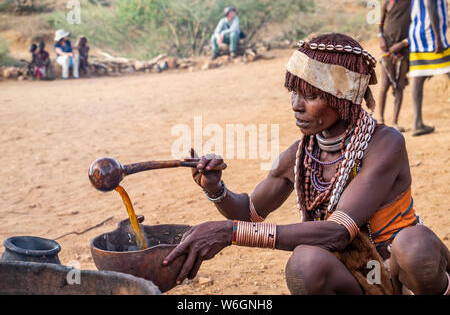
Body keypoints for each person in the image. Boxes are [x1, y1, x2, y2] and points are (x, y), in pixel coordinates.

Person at [162, 33, 450, 295]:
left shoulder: (384, 143)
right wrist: (216, 190)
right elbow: (249, 213)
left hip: (402, 274)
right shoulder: (301, 155)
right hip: (360, 276)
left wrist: (230, 233)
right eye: (294, 92)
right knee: (305, 262)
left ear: (343, 98)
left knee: (415, 248)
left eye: (310, 95)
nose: (296, 105)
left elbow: (338, 232)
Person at [409, 0, 450, 136]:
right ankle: (417, 123)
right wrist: (438, 36)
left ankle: (417, 123)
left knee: (419, 76)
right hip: (431, 35)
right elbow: (430, 2)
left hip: (417, 33)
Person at [378, 0, 411, 132]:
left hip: (403, 49)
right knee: (385, 84)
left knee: (400, 85)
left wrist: (403, 43)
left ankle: (395, 122)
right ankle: (380, 120)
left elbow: (416, 26)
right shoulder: (388, 3)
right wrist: (381, 38)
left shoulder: (412, 3)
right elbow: (380, 25)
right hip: (388, 50)